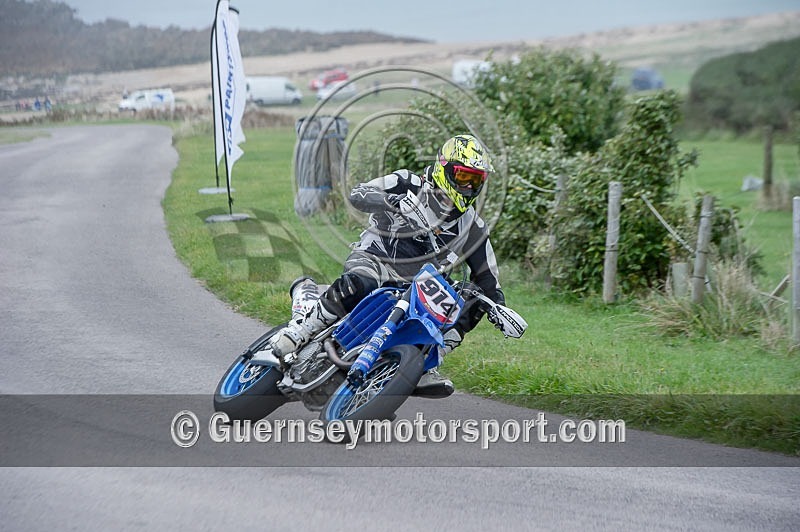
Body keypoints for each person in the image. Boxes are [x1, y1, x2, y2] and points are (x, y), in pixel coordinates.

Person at [270, 134, 505, 397]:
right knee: (362, 283)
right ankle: (301, 330)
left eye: (475, 181)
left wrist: (499, 308)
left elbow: (489, 279)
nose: (468, 187)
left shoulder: (474, 227)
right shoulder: (408, 182)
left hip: (417, 288)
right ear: (444, 169)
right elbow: (358, 193)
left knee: (471, 303)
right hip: (375, 258)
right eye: (463, 177)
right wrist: (389, 201)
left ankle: (424, 362)